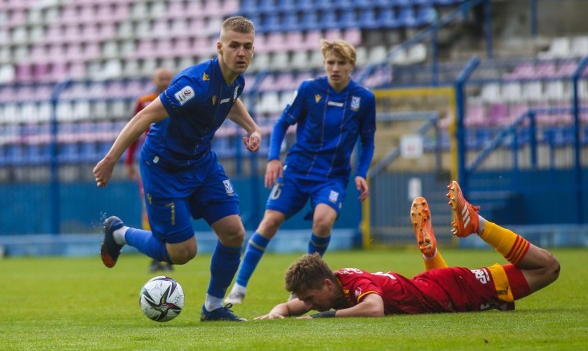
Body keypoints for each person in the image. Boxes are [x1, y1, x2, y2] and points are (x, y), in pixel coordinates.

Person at [94, 16, 262, 322]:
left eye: (247, 47)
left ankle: (213, 307)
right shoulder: (193, 84)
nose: (241, 53)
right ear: (219, 47)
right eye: (234, 46)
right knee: (183, 252)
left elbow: (231, 99)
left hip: (201, 163)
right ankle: (119, 233)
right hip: (164, 169)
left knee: (234, 233)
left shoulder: (236, 79)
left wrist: (252, 127)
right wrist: (111, 159)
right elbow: (144, 117)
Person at [256, 181, 560, 318]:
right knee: (434, 290)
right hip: (435, 286)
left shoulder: (355, 285)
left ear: (326, 284)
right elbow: (298, 305)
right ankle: (430, 255)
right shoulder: (334, 285)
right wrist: (277, 312)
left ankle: (476, 224)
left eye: (310, 298)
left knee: (549, 268)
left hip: (462, 289)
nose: (309, 304)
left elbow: (374, 309)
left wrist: (325, 317)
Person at [225, 38, 376, 305]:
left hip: (331, 177)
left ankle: (306, 289)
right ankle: (239, 286)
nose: (335, 68)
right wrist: (273, 158)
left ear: (352, 65)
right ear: (324, 63)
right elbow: (283, 123)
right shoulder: (309, 89)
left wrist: (362, 171)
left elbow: (368, 141)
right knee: (269, 222)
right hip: (296, 171)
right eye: (331, 62)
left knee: (323, 221)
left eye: (341, 63)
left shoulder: (364, 99)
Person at [124, 67, 174, 273]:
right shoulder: (144, 101)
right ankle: (156, 254)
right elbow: (134, 130)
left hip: (175, 162)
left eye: (167, 78)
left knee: (174, 207)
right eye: (160, 78)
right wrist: (128, 161)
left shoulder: (181, 99)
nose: (163, 81)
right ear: (154, 80)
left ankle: (170, 252)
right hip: (151, 163)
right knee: (149, 207)